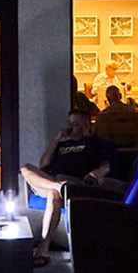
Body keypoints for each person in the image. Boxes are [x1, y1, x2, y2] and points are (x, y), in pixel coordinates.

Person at [20, 109, 121, 264]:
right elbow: (43, 164)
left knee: (53, 195)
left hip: (75, 183)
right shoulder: (63, 144)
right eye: (70, 123)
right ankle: (60, 187)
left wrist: (97, 173)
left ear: (86, 125)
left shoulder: (97, 143)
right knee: (26, 168)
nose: (70, 127)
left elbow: (106, 166)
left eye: (75, 124)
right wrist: (56, 141)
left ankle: (42, 249)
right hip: (54, 181)